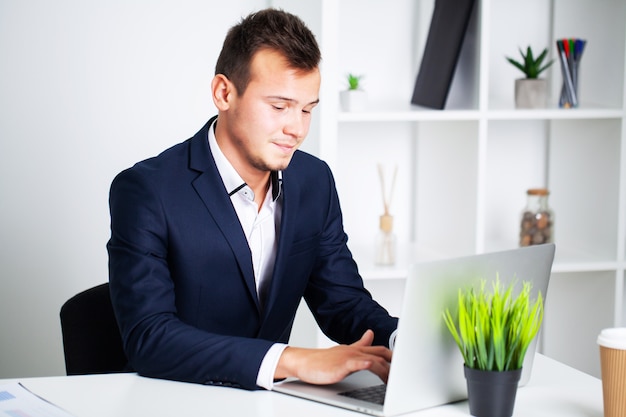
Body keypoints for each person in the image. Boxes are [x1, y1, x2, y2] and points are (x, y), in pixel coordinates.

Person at [107, 8, 398, 391]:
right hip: (173, 399)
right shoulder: (146, 191)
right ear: (224, 93)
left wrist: (403, 343)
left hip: (270, 403)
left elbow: (341, 302)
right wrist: (292, 358)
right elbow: (150, 337)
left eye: (307, 109)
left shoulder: (315, 181)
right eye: (279, 107)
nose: (296, 129)